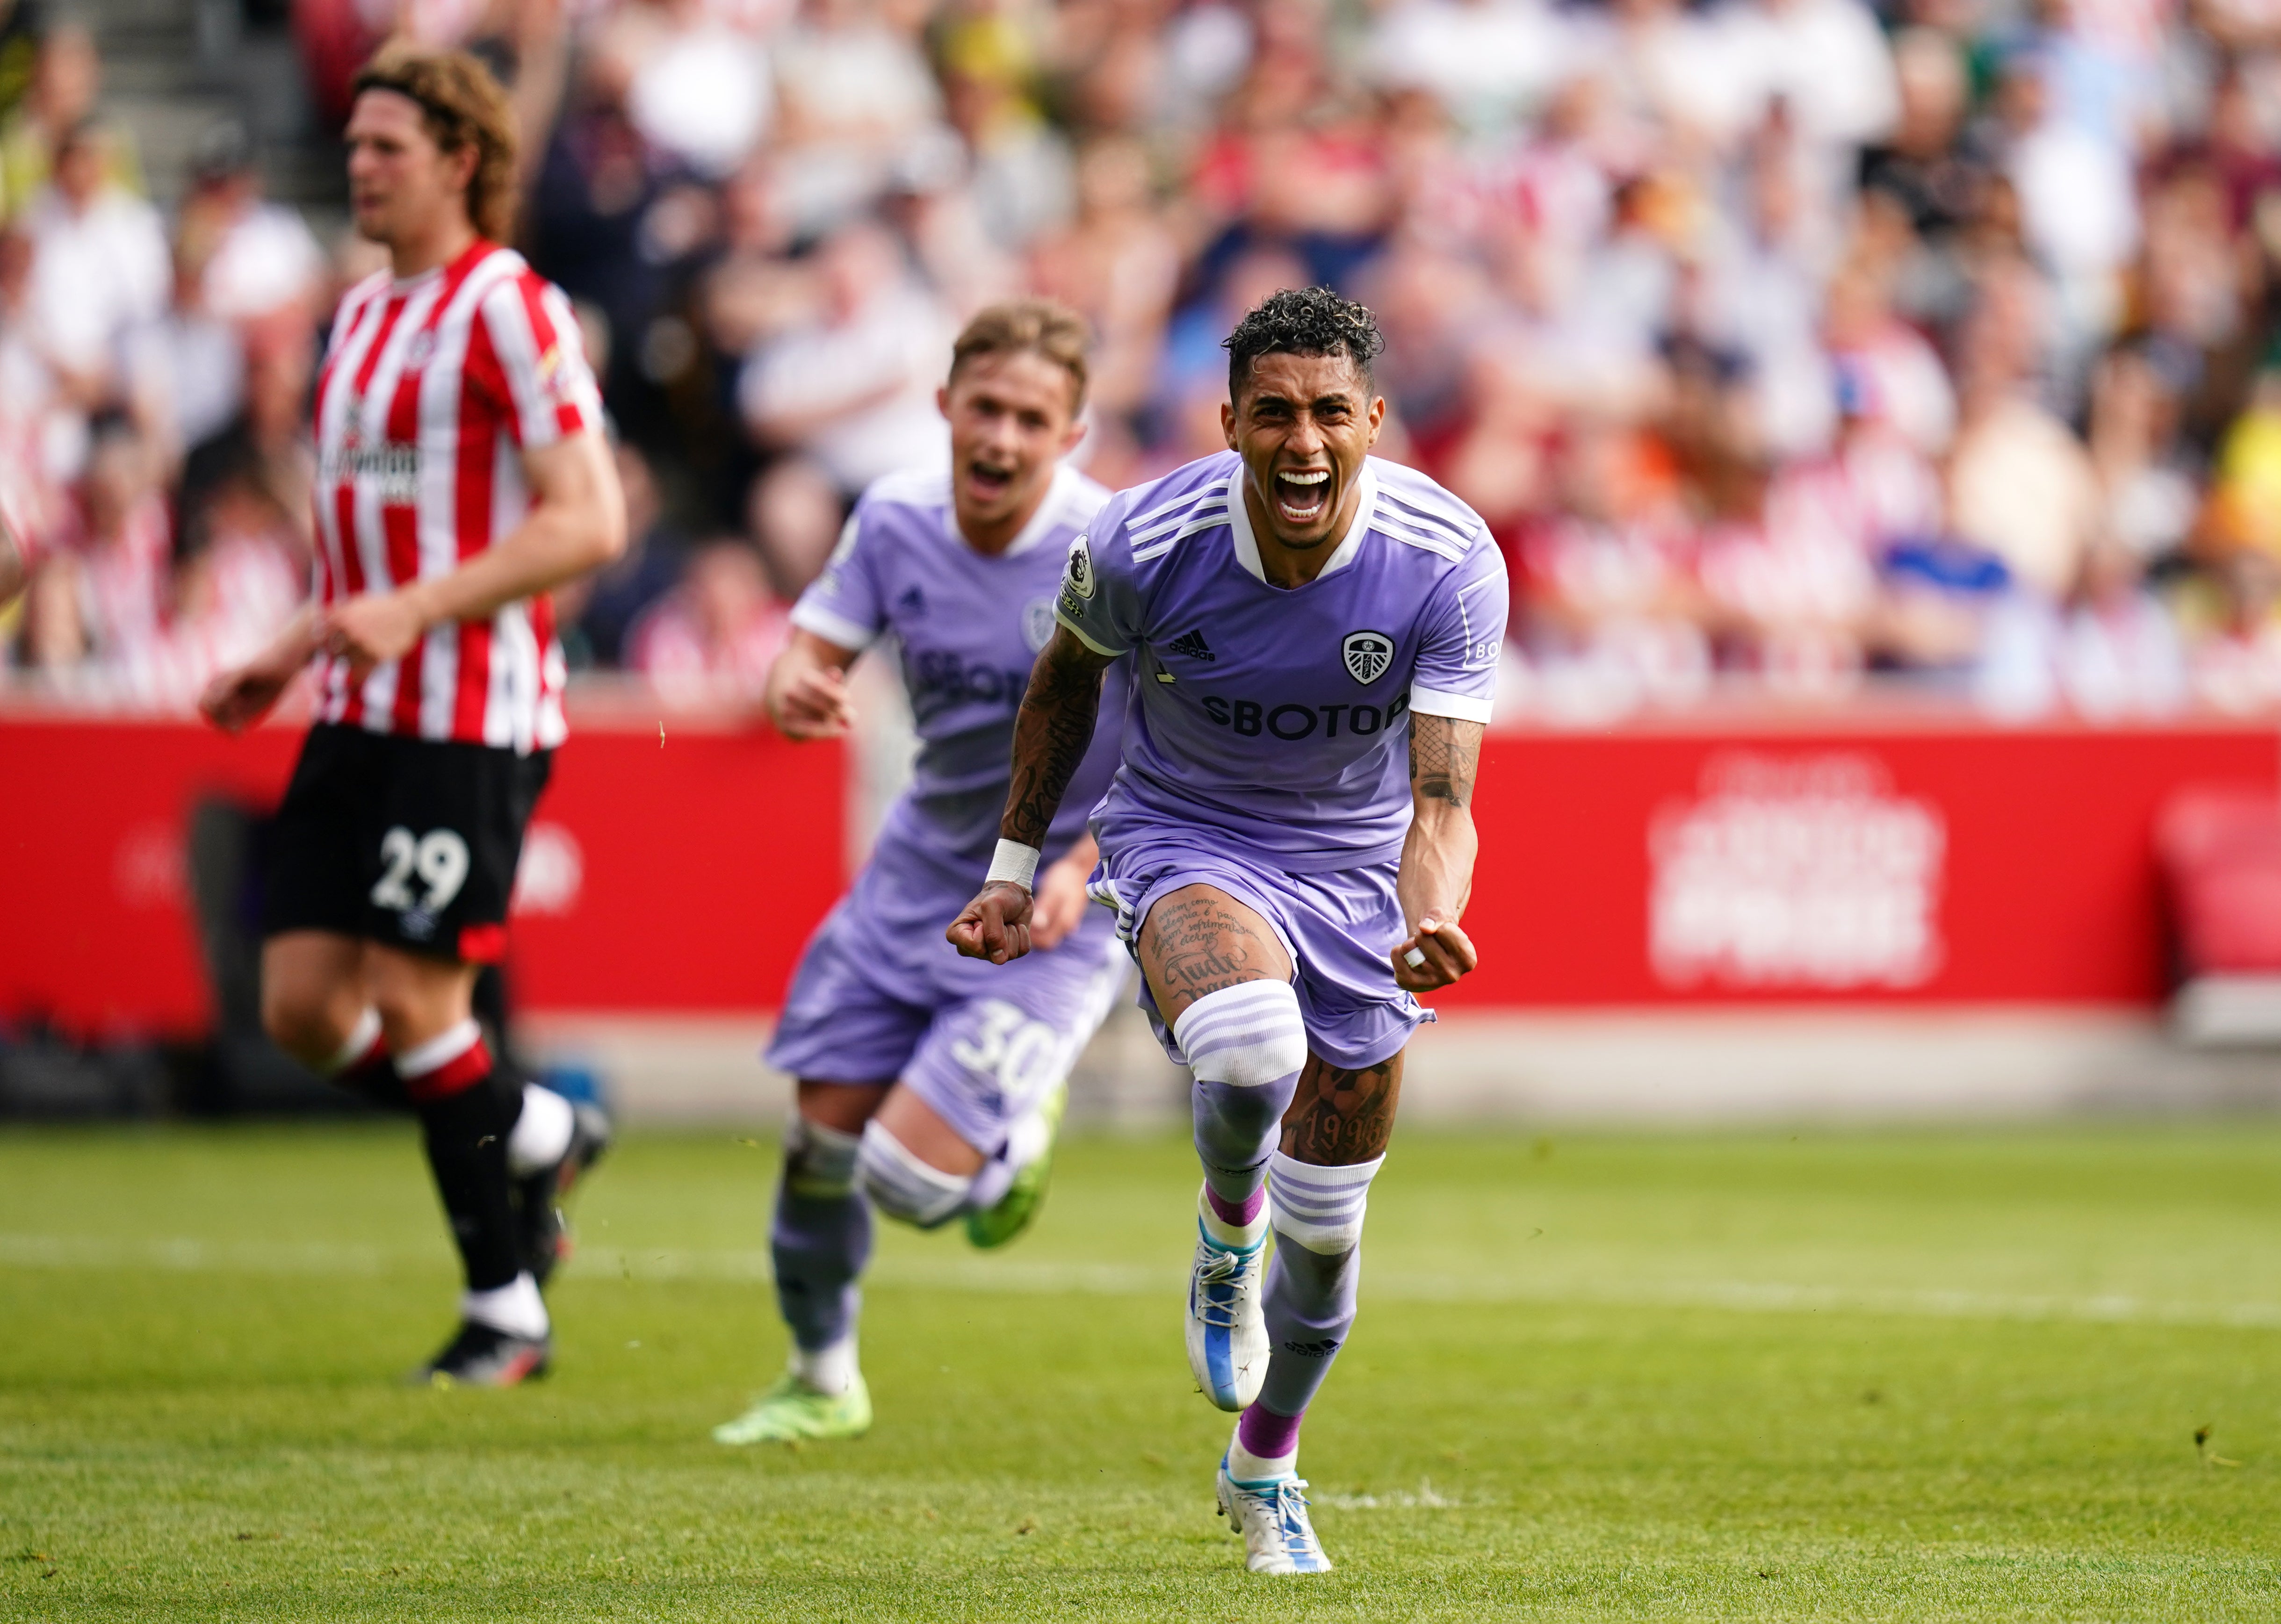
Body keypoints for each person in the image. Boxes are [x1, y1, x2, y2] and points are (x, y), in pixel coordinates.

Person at [948, 287, 1505, 1574]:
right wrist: (1012, 865)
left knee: (1326, 1261)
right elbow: (1064, 683)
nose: (1300, 442)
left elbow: (1441, 796)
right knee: (1249, 1044)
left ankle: (1265, 1469)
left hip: (1362, 877)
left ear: (1372, 418)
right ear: (1229, 422)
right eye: (1271, 414)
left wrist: (1432, 915)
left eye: (1327, 413)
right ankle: (1220, 1230)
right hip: (1187, 838)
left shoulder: (1446, 557)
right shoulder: (1148, 540)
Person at [197, 44, 625, 1386]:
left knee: (419, 996)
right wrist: (290, 644)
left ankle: (506, 1308)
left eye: (387, 146)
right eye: (355, 145)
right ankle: (536, 1128)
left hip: (470, 716)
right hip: (356, 700)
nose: (359, 165)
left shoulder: (511, 307)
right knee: (305, 1011)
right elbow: (366, 539)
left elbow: (590, 519)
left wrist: (421, 609)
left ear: (460, 159)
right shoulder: (364, 316)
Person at [714, 298, 1129, 1445]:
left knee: (905, 1179)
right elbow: (812, 646)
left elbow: (1176, 752)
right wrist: (792, 680)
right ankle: (821, 1378)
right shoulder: (894, 518)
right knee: (820, 1147)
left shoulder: (1114, 552)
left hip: (1056, 910)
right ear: (942, 406)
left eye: (1030, 418)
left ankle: (1012, 1140)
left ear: (1072, 435)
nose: (1000, 438)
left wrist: (1085, 864)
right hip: (913, 887)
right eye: (983, 408)